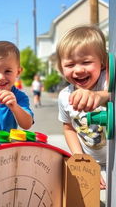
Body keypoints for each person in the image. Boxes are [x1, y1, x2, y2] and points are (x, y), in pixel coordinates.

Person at [56, 25, 109, 192]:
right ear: (61, 67)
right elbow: (69, 128)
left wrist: (101, 96)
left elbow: (110, 92)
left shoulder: (107, 82)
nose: (78, 70)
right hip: (91, 162)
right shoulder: (65, 96)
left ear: (102, 62)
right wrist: (81, 159)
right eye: (70, 64)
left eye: (86, 62)